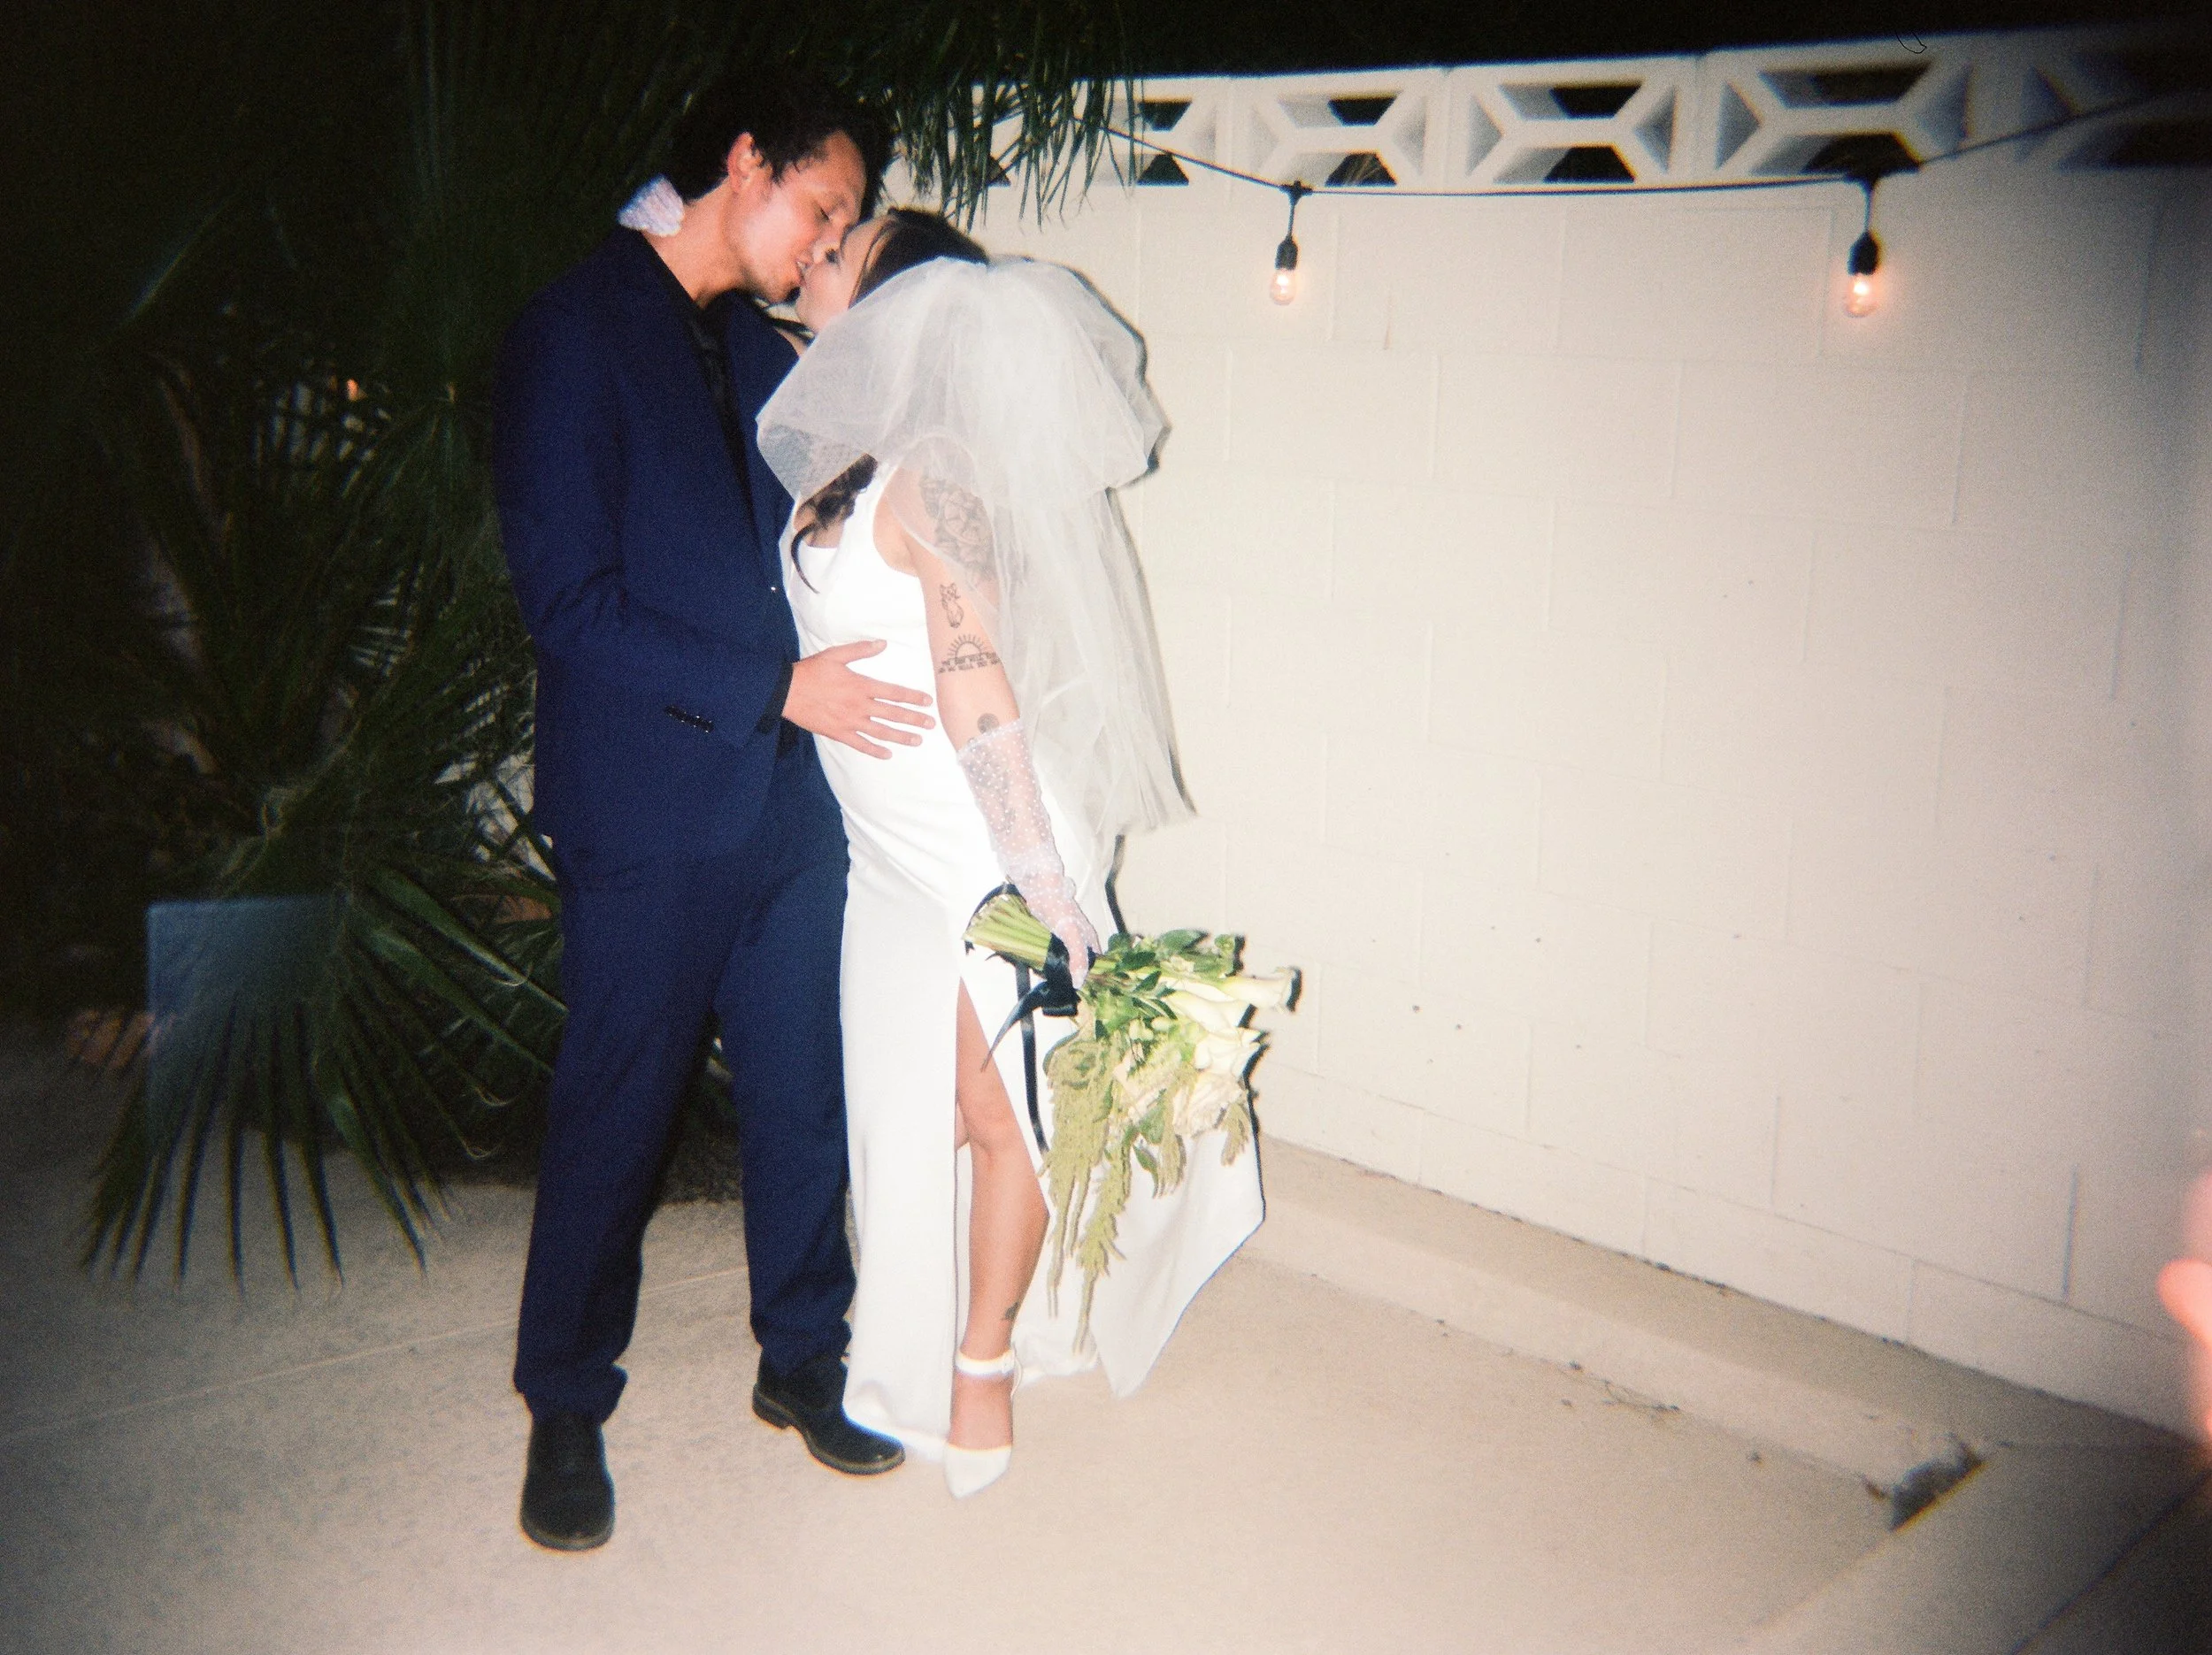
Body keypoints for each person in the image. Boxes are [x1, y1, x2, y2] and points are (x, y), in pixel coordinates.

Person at [757, 211, 1265, 1497]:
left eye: (838, 250)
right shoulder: (848, 467)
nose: (814, 257)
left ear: (896, 305)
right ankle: (923, 1328)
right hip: (887, 855)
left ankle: (982, 1360)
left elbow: (978, 684)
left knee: (1001, 1110)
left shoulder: (936, 480)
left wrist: (1045, 883)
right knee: (903, 1101)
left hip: (980, 839)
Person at [491, 71, 928, 1552]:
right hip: (655, 800)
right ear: (746, 164)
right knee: (618, 1107)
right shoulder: (569, 331)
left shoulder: (758, 342)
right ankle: (564, 1400)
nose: (825, 241)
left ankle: (802, 1357)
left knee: (801, 1092)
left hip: (788, 805)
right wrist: (778, 692)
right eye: (822, 208)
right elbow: (570, 604)